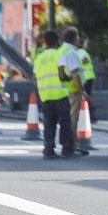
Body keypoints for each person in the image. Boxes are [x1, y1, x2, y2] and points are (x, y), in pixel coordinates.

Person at [34, 31, 74, 159]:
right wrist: (69, 79)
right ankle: (67, 149)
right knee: (65, 123)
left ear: (45, 42)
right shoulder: (58, 55)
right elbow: (62, 74)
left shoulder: (39, 58)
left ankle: (48, 149)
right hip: (60, 95)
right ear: (57, 42)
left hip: (46, 96)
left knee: (49, 124)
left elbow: (35, 76)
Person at [58, 27, 89, 155]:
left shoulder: (61, 50)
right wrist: (82, 91)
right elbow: (75, 75)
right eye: (78, 37)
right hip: (72, 90)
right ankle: (71, 147)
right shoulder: (71, 52)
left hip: (63, 91)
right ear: (74, 38)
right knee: (72, 120)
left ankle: (69, 146)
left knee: (66, 119)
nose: (79, 40)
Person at [77, 40, 97, 123]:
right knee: (85, 96)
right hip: (86, 78)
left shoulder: (80, 51)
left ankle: (91, 116)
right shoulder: (79, 52)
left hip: (87, 78)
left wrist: (76, 63)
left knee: (85, 96)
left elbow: (85, 60)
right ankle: (88, 116)